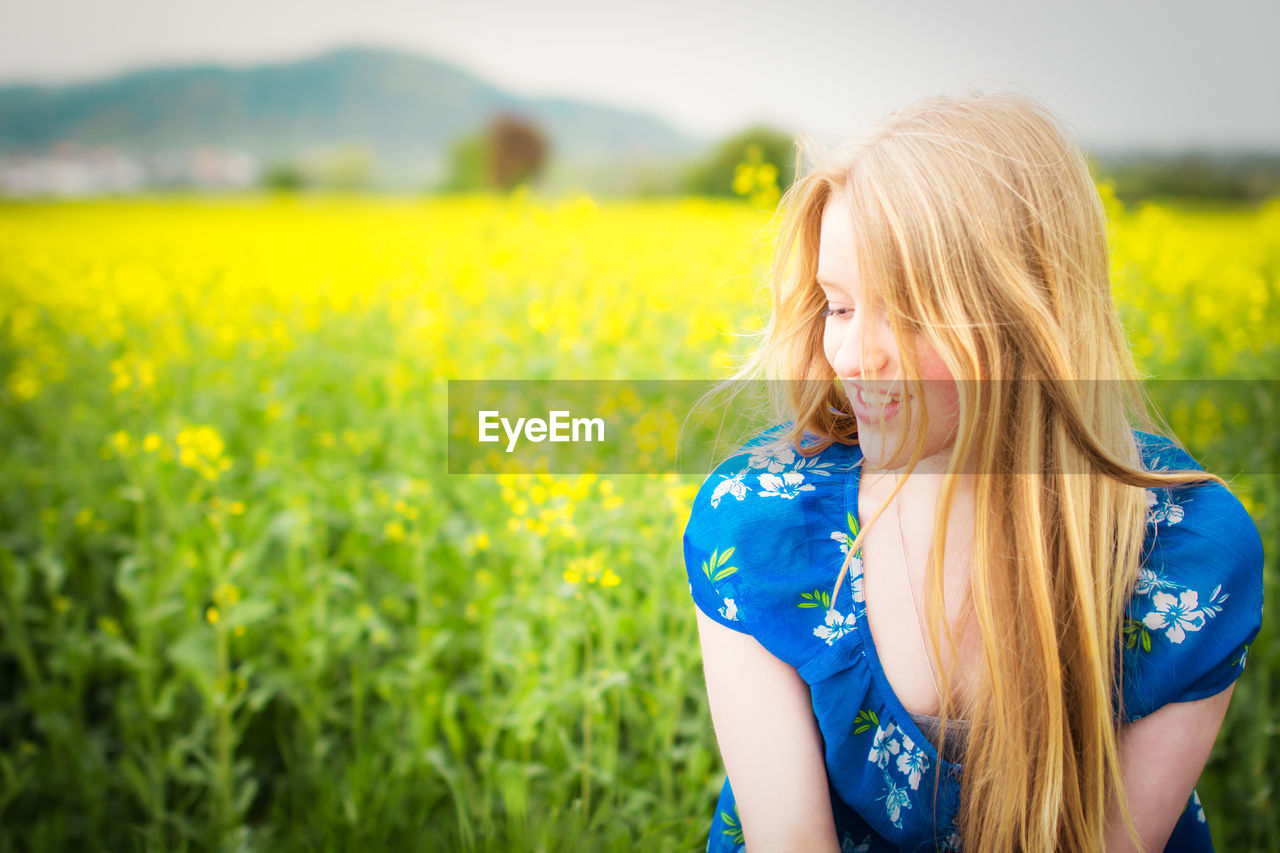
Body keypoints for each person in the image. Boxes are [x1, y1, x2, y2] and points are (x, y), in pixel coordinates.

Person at [682, 92, 1264, 852]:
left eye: (912, 314)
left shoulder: (1184, 553)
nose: (856, 360)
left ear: (1032, 317)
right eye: (839, 307)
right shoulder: (759, 523)